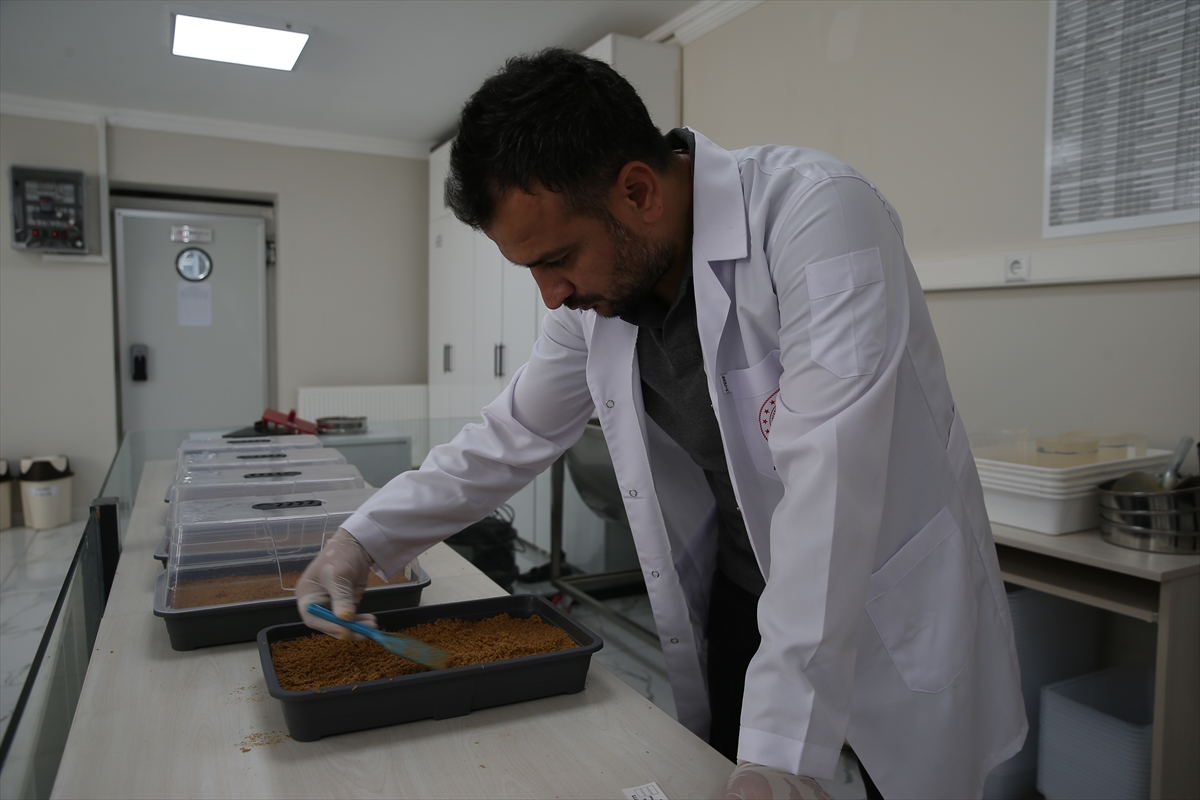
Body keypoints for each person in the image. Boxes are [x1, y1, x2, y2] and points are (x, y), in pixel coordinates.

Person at [296, 48, 1026, 800]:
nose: (550, 295)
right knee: (726, 762)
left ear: (638, 191)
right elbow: (510, 434)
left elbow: (830, 491)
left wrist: (779, 758)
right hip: (744, 588)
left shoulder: (817, 214)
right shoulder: (595, 302)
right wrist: (363, 540)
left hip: (880, 591)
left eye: (557, 258)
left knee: (890, 778)